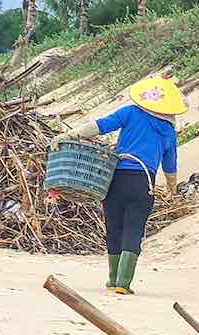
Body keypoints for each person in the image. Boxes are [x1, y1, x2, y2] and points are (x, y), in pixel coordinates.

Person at [54, 76, 185, 294]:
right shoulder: (168, 131)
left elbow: (100, 126)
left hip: (115, 179)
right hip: (144, 182)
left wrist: (69, 134)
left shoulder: (130, 112)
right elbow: (170, 164)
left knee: (114, 229)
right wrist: (172, 188)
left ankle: (112, 280)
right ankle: (123, 285)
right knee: (133, 230)